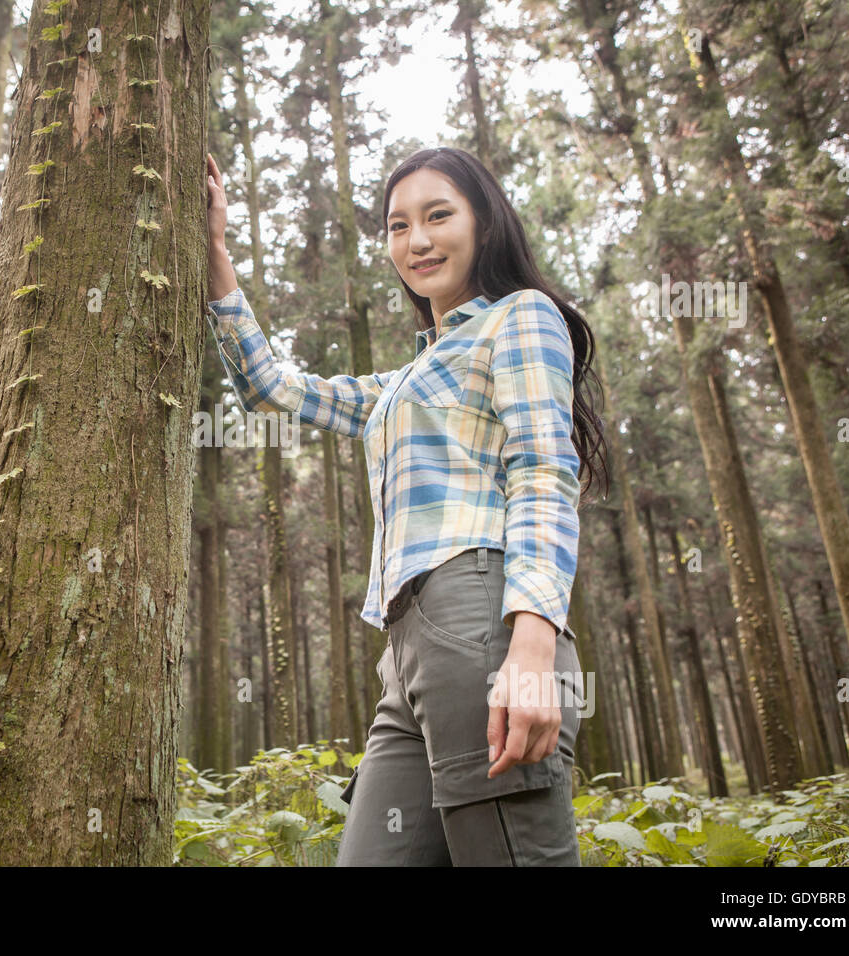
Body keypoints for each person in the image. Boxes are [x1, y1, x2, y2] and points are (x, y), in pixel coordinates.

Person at [203, 146, 609, 866]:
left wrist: (533, 647)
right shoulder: (407, 377)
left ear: (485, 224)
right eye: (397, 225)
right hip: (406, 656)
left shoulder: (519, 317)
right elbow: (275, 390)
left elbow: (544, 470)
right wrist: (215, 254)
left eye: (438, 216)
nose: (416, 240)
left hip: (484, 622)